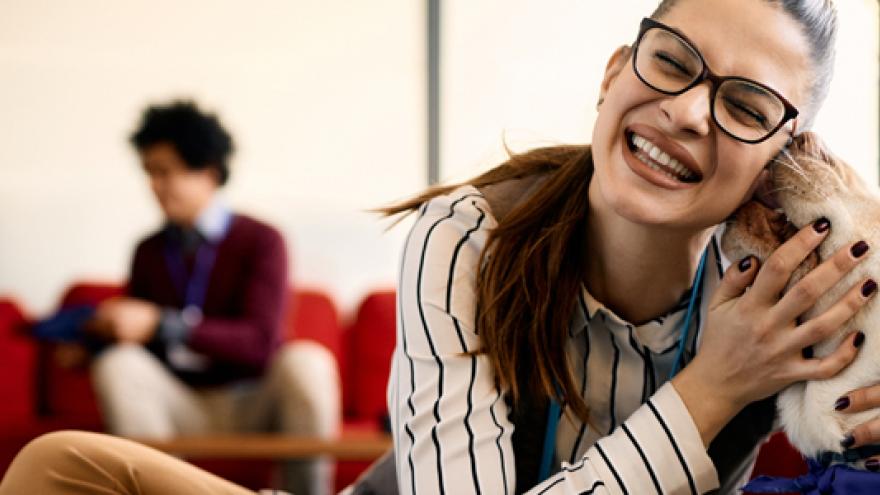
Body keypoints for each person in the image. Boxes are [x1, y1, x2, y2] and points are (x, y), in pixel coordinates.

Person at [0, 1, 875, 494]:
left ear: (784, 155)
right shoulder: (470, 235)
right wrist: (712, 388)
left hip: (242, 387)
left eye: (748, 107)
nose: (688, 110)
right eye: (672, 61)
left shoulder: (782, 289)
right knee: (58, 467)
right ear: (616, 74)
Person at [9, 101, 339, 495]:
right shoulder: (148, 250)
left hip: (252, 397)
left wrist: (163, 324)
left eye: (166, 171)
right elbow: (144, 348)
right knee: (119, 363)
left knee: (309, 362)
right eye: (150, 172)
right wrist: (98, 344)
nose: (155, 184)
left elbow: (260, 344)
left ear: (210, 173)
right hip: (181, 400)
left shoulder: (262, 240)